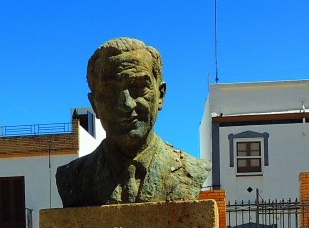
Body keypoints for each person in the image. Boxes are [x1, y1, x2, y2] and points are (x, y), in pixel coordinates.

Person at [55, 37, 211, 207]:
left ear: (160, 96)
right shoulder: (73, 178)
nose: (126, 104)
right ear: (94, 104)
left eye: (138, 87)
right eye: (111, 91)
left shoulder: (189, 170)